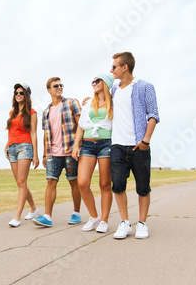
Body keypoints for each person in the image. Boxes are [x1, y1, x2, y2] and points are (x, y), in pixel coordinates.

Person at [109, 52, 160, 239]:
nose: (111, 70)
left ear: (125, 67)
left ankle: (142, 223)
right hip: (117, 146)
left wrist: (146, 140)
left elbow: (153, 115)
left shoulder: (145, 87)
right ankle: (124, 222)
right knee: (118, 186)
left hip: (138, 145)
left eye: (114, 66)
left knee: (143, 187)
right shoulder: (114, 90)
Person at [32, 77, 82, 227]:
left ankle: (77, 213)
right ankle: (47, 217)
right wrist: (44, 155)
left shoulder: (72, 103)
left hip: (70, 150)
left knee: (74, 181)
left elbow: (81, 126)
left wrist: (78, 146)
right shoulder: (46, 111)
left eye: (61, 85)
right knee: (50, 181)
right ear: (49, 90)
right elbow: (46, 134)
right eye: (56, 86)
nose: (59, 88)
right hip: (53, 153)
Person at [72, 73, 114, 233]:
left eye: (97, 81)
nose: (94, 83)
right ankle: (94, 216)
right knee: (82, 182)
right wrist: (77, 145)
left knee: (104, 184)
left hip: (106, 145)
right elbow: (81, 125)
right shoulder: (88, 102)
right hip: (88, 145)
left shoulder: (114, 103)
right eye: (93, 81)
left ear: (106, 83)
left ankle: (104, 220)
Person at [5, 83, 40, 227]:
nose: (18, 94)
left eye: (21, 92)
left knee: (21, 182)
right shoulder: (11, 113)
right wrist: (7, 145)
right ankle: (33, 207)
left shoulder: (32, 112)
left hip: (25, 147)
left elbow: (33, 133)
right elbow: (11, 132)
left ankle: (17, 216)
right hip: (12, 148)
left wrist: (36, 155)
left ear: (26, 95)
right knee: (20, 183)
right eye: (16, 92)